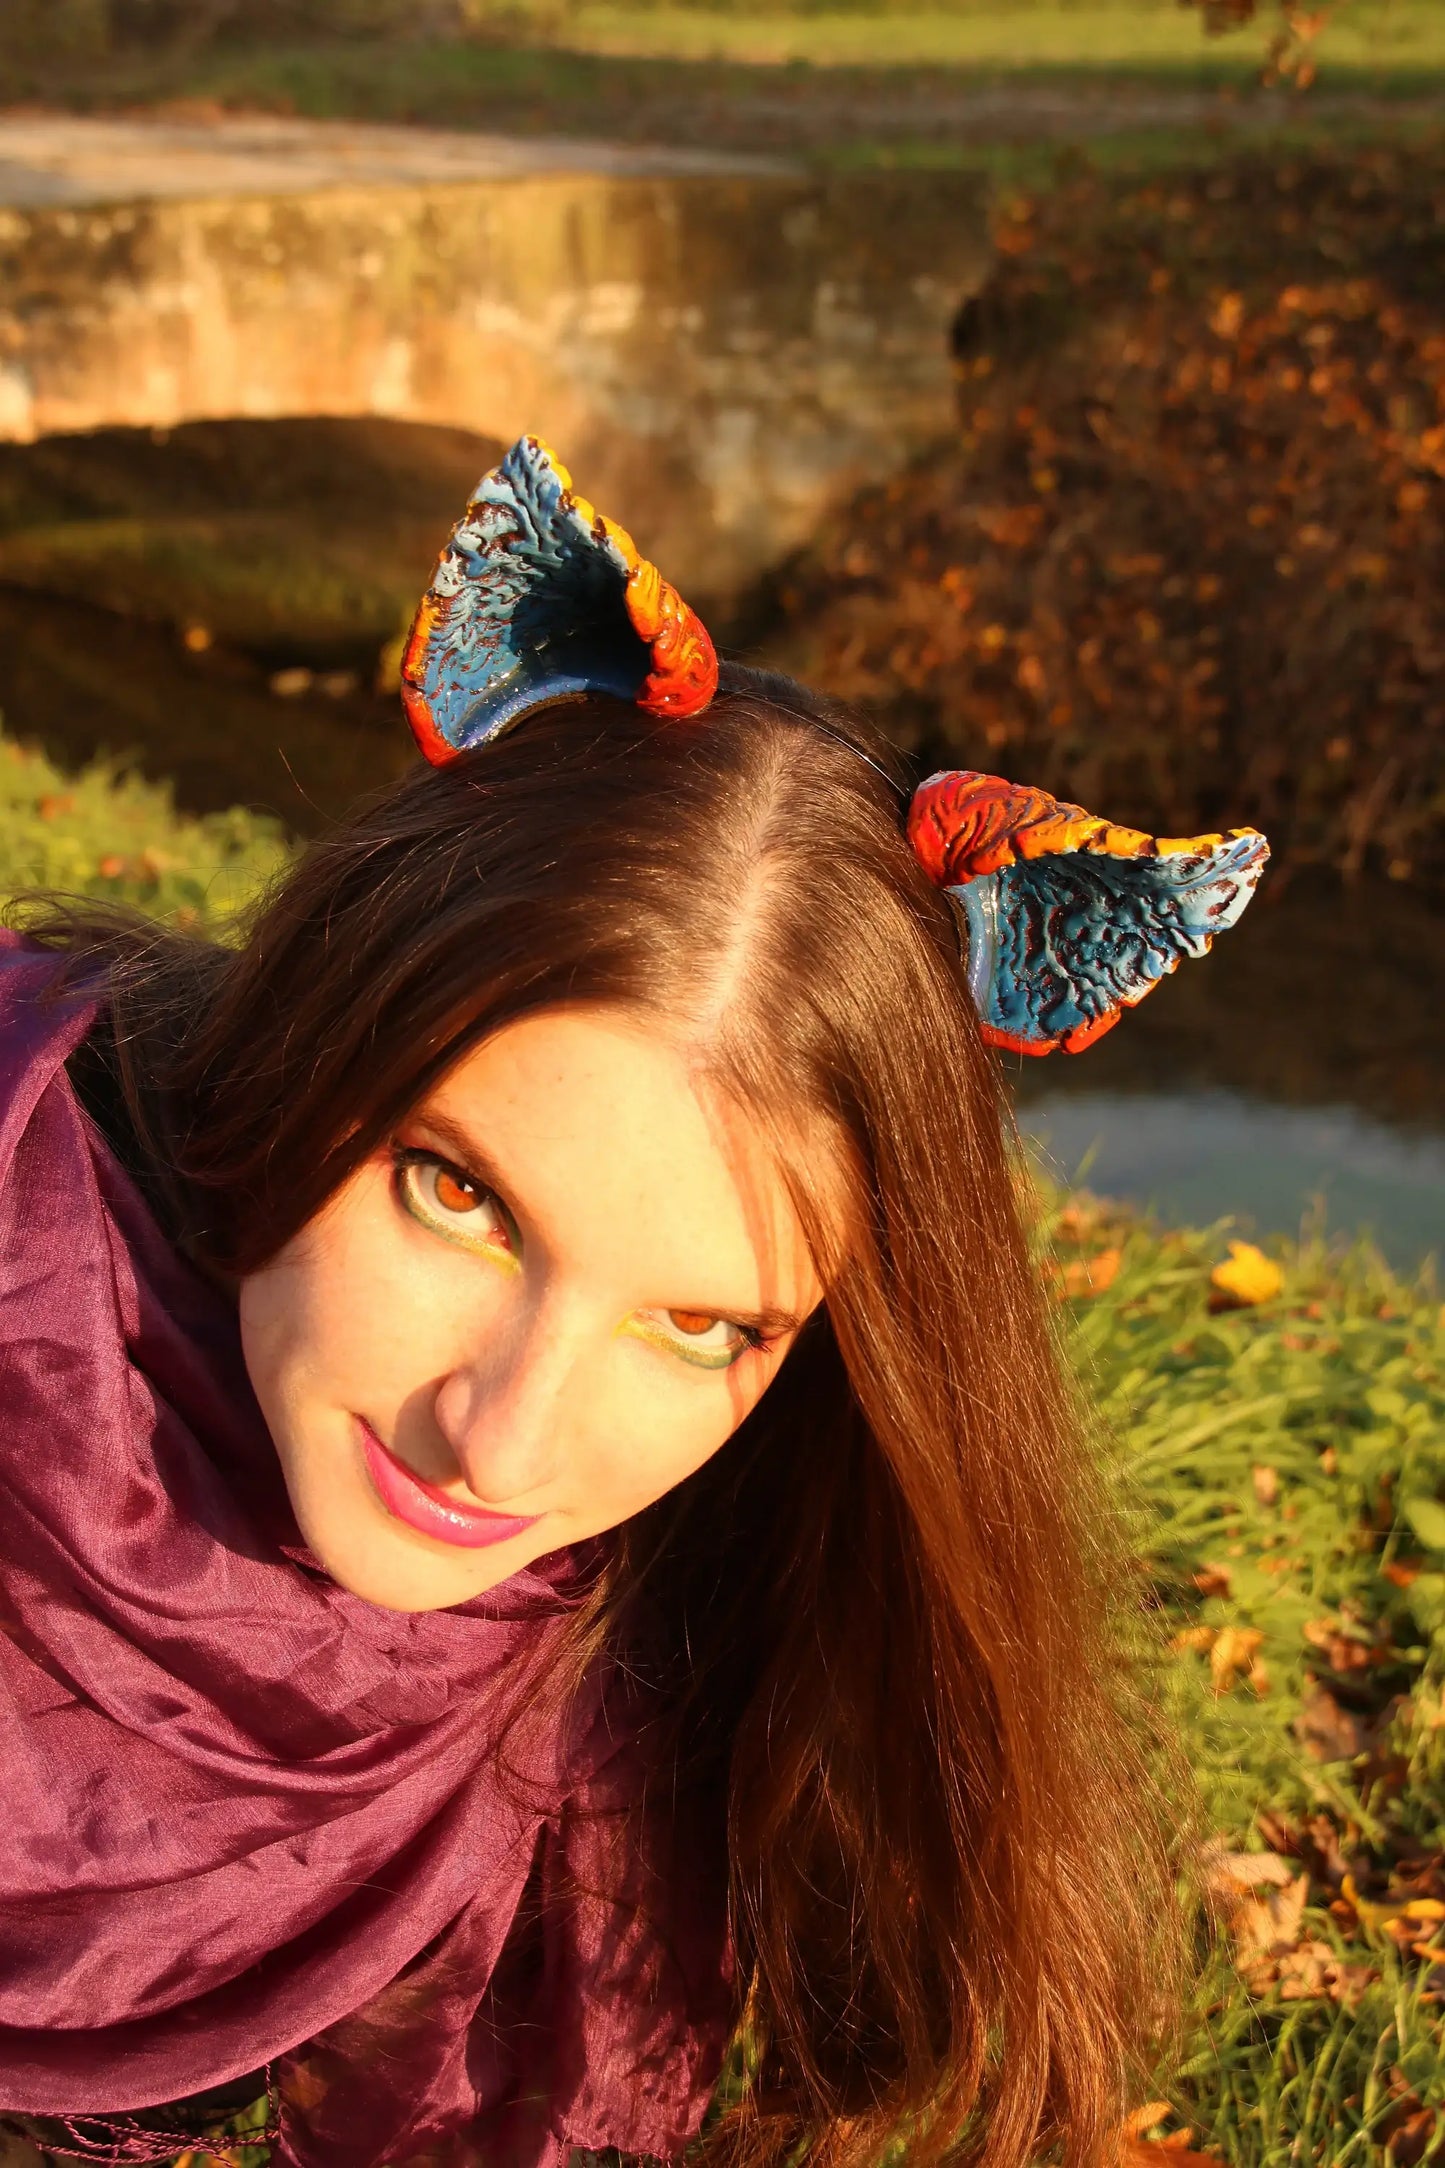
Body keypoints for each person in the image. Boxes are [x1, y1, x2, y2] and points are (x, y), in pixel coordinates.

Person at [0, 438, 1267, 2168]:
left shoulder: (652, 1702)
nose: (500, 1446)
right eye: (459, 1198)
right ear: (314, 1033)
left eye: (701, 1328)